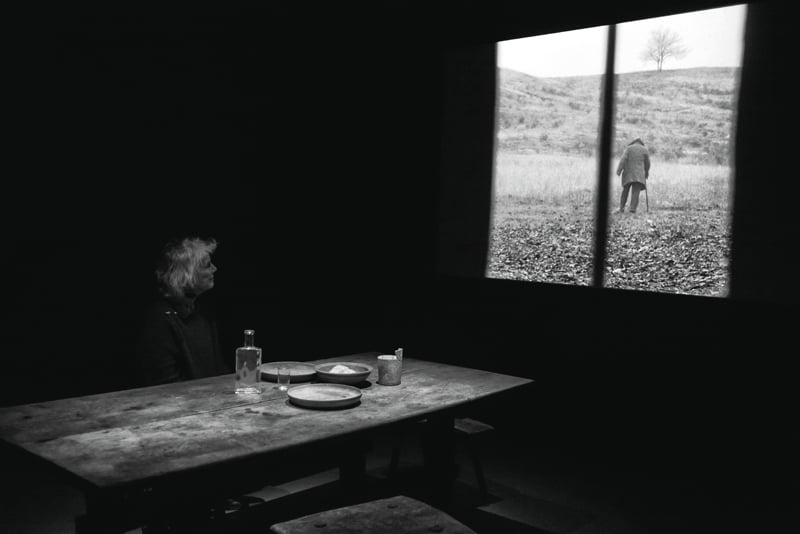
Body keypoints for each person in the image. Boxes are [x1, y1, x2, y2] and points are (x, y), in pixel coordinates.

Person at [135, 236, 229, 386]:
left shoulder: (202, 312)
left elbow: (218, 371)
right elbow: (165, 385)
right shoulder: (160, 320)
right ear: (187, 274)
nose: (215, 269)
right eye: (207, 265)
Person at [615, 137, 651, 214]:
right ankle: (632, 209)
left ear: (633, 142)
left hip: (628, 173)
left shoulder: (629, 148)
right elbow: (648, 163)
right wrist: (646, 172)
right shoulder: (645, 150)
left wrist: (619, 171)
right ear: (641, 143)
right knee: (636, 192)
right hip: (639, 174)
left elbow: (623, 159)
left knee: (625, 191)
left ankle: (621, 208)